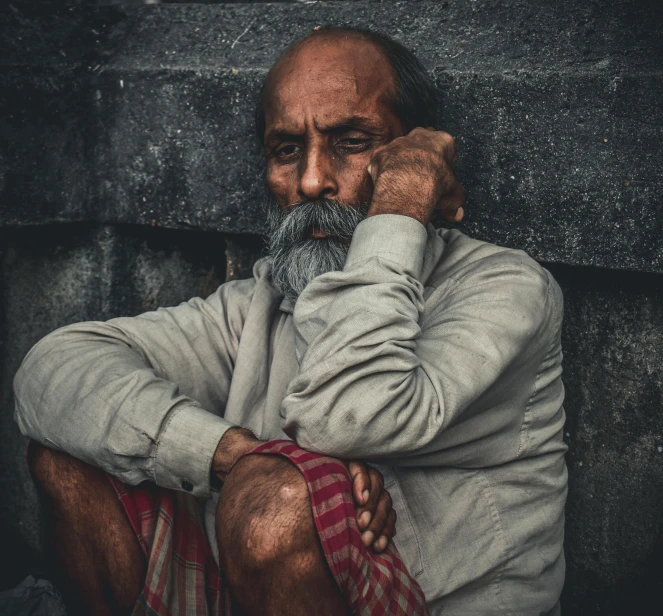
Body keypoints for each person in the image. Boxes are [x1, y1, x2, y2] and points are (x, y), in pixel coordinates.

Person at [14, 26, 568, 615]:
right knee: (71, 456)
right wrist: (228, 454)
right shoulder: (264, 299)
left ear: (413, 159)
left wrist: (400, 208)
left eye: (351, 143)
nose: (310, 181)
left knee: (275, 502)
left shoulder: (504, 289)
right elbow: (50, 370)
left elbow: (346, 417)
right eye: (285, 151)